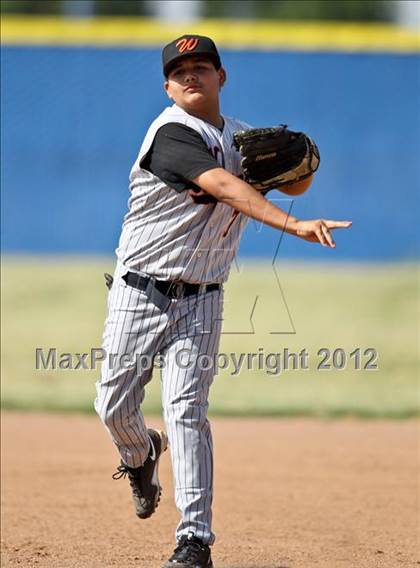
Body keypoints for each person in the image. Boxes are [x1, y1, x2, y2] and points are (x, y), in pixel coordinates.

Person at [94, 34, 351, 568]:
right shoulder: (170, 134)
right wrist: (294, 225)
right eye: (180, 70)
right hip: (140, 289)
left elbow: (290, 185)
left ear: (221, 77)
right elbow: (228, 188)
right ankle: (141, 454)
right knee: (113, 405)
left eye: (202, 66)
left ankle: (194, 541)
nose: (192, 75)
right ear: (167, 85)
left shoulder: (241, 138)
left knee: (187, 408)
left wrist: (303, 168)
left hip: (204, 298)